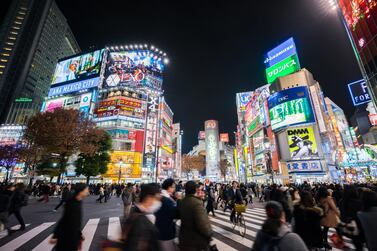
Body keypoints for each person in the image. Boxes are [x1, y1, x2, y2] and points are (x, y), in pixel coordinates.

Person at [121, 183, 161, 251]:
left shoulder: (138, 212)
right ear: (149, 198)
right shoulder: (140, 220)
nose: (159, 201)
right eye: (157, 198)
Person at [50, 183, 89, 251]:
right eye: (86, 190)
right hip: (67, 237)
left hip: (73, 236)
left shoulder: (79, 201)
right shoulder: (72, 203)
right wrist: (55, 235)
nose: (88, 191)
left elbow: (76, 221)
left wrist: (79, 233)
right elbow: (64, 219)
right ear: (81, 191)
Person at [179, 181, 212, 251]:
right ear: (195, 190)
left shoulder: (182, 201)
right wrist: (209, 233)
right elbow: (203, 224)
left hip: (184, 238)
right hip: (195, 241)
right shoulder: (197, 203)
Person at [155, 178, 178, 251]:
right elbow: (176, 214)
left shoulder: (160, 196)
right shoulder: (166, 200)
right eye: (173, 187)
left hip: (159, 230)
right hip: (165, 232)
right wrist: (179, 200)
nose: (174, 189)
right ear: (169, 187)